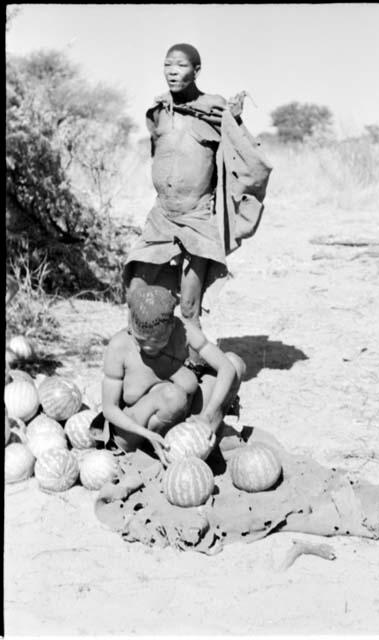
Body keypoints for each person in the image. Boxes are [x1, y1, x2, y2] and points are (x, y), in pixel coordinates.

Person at [123, 43, 272, 365]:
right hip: (162, 215)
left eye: (180, 65)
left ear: (196, 71)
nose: (172, 71)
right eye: (167, 65)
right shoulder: (159, 112)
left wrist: (234, 122)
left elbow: (243, 153)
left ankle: (191, 369)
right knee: (137, 290)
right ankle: (141, 366)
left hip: (198, 216)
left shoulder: (216, 111)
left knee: (189, 306)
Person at [101, 281, 245, 464]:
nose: (143, 346)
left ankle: (205, 436)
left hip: (179, 421)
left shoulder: (182, 330)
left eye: (154, 342)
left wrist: (208, 415)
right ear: (131, 327)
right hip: (135, 431)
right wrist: (145, 433)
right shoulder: (120, 345)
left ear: (171, 328)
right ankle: (152, 453)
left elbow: (227, 367)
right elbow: (109, 408)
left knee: (235, 362)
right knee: (173, 395)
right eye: (140, 340)